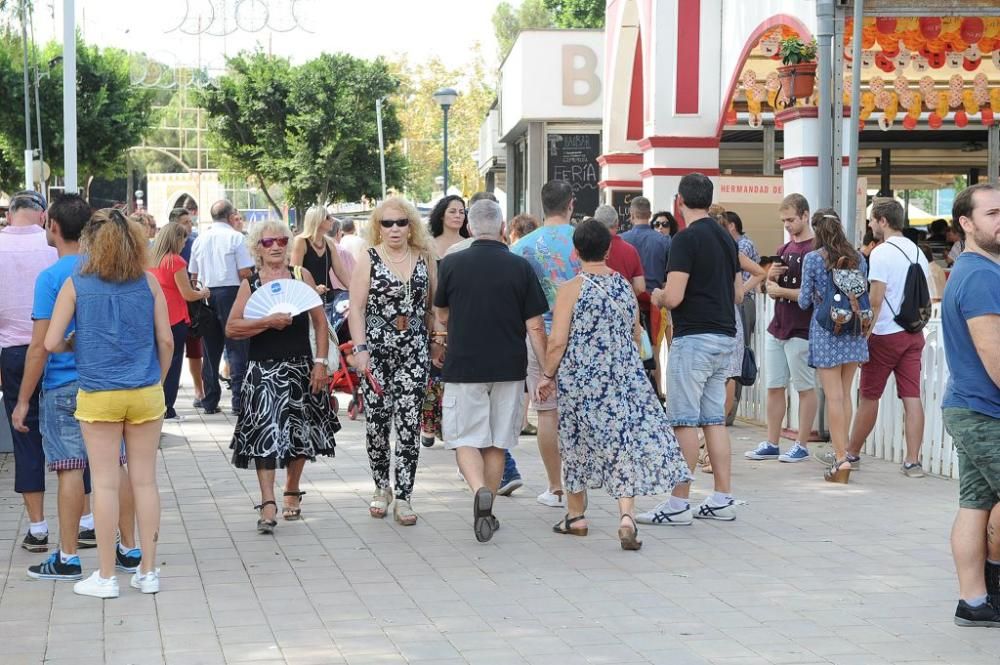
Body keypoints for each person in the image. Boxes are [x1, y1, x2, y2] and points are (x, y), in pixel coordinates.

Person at [539, 219, 690, 548]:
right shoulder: (623, 285)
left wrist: (547, 375)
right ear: (607, 250)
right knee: (623, 443)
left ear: (576, 251)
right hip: (623, 377)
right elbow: (636, 334)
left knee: (577, 444)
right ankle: (626, 516)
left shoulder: (571, 289)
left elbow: (557, 341)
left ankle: (576, 516)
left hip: (582, 381)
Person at [45, 208, 172, 599]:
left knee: (103, 484)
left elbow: (50, 342)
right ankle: (147, 571)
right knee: (145, 481)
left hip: (99, 394)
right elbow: (166, 342)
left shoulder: (76, 283)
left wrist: (73, 342)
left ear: (90, 243)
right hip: (145, 391)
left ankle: (104, 576)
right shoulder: (149, 284)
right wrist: (159, 382)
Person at [434, 200, 548, 542]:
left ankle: (479, 490)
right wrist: (546, 371)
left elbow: (441, 314)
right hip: (509, 367)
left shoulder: (452, 264)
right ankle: (490, 507)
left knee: (465, 439)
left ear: (469, 227)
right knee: (498, 441)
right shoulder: (520, 267)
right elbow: (536, 326)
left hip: (463, 364)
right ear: (502, 228)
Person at [641, 173, 741, 525]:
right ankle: (722, 497)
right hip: (724, 335)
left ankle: (678, 502)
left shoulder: (685, 240)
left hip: (694, 337)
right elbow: (737, 292)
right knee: (714, 419)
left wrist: (658, 296)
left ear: (679, 202)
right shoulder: (726, 238)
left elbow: (675, 295)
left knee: (683, 420)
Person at [226, 221, 339, 533]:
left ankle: (291, 488)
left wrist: (320, 363)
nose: (275, 246)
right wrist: (266, 322)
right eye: (267, 242)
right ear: (257, 248)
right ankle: (267, 502)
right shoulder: (251, 283)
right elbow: (232, 328)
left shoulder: (301, 276)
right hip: (262, 371)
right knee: (263, 435)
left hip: (300, 368)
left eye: (280, 240)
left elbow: (319, 323)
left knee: (300, 434)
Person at [16, 194, 102, 580]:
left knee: (70, 470)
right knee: (115, 467)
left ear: (52, 226)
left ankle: (68, 558)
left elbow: (40, 345)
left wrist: (21, 400)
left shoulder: (52, 277)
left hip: (64, 383)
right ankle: (129, 549)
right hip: (107, 382)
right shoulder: (108, 268)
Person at [349, 197, 438, 526]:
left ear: (411, 225)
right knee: (377, 423)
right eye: (387, 223)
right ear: (378, 227)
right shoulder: (369, 258)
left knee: (409, 423)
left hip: (414, 348)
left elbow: (432, 308)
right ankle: (380, 486)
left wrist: (437, 342)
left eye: (401, 222)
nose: (395, 229)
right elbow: (356, 307)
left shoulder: (424, 257)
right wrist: (360, 350)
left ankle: (404, 495)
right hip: (377, 349)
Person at [940, 182, 1000, 627]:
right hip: (985, 410)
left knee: (975, 503)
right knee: (977, 503)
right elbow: (993, 353)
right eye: (992, 214)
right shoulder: (979, 274)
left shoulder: (975, 269)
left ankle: (973, 601)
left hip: (969, 406)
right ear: (966, 222)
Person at [511, 180, 582, 508]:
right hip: (581, 336)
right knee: (581, 412)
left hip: (538, 334)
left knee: (547, 413)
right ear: (571, 204)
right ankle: (579, 485)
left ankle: (555, 487)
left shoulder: (521, 247)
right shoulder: (584, 241)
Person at [847, 198, 930, 477]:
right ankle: (912, 461)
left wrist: (864, 336)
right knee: (912, 396)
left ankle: (852, 454)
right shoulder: (918, 251)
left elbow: (876, 299)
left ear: (883, 220)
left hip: (884, 334)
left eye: (872, 220)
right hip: (914, 333)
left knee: (869, 397)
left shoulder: (881, 253)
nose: (870, 225)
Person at [0, 190, 57, 552]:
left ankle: (37, 528)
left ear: (9, 215)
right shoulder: (55, 246)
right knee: (73, 436)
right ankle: (85, 522)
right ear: (41, 215)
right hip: (59, 350)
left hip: (14, 353)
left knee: (25, 438)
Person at [745, 193, 819, 463]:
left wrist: (779, 289)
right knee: (774, 386)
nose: (787, 224)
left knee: (804, 387)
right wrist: (771, 282)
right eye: (784, 220)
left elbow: (811, 295)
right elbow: (773, 289)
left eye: (791, 219)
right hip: (779, 326)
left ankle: (801, 443)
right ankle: (772, 441)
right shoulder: (784, 249)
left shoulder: (815, 250)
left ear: (805, 215)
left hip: (802, 329)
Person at [798, 210, 870, 484]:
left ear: (817, 230)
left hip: (827, 331)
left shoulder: (813, 259)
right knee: (846, 394)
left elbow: (805, 301)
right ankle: (844, 452)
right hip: (853, 330)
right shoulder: (858, 257)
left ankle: (840, 459)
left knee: (833, 396)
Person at [188, 200, 254, 415]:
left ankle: (209, 400)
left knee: (210, 348)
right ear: (230, 215)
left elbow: (193, 274)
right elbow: (245, 272)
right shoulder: (236, 237)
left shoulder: (200, 239)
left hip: (206, 293)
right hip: (231, 292)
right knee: (237, 345)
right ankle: (238, 400)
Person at [149, 222, 212, 421]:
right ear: (176, 239)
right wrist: (203, 293)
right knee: (173, 363)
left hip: (154, 315)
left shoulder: (151, 260)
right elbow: (187, 294)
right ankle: (168, 407)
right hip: (175, 317)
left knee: (156, 363)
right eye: (184, 239)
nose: (185, 243)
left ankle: (154, 405)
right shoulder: (175, 261)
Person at [421, 196, 468, 448]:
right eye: (453, 211)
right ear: (441, 215)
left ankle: (452, 424)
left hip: (461, 315)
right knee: (433, 371)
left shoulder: (468, 245)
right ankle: (428, 422)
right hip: (432, 313)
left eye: (462, 211)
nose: (458, 215)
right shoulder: (429, 246)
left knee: (454, 373)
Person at [621, 196, 671, 399]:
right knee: (654, 352)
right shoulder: (664, 241)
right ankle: (656, 393)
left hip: (627, 303)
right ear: (650, 216)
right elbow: (669, 276)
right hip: (655, 304)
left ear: (631, 215)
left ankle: (631, 394)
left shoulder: (623, 240)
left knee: (628, 351)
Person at [290, 205, 351, 327]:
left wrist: (354, 290)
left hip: (326, 299)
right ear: (317, 220)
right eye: (328, 217)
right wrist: (313, 288)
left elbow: (340, 272)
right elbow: (294, 272)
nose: (332, 220)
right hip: (305, 301)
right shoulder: (301, 241)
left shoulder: (329, 243)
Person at [170, 207, 206, 407]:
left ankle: (199, 389)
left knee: (195, 349)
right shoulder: (163, 248)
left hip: (191, 305)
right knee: (171, 351)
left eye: (191, 222)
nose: (190, 226)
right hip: (171, 307)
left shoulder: (194, 243)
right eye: (186, 222)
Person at [593, 204, 645, 296]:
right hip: (622, 306)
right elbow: (640, 287)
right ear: (617, 223)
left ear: (595, 223)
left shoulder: (588, 247)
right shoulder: (630, 250)